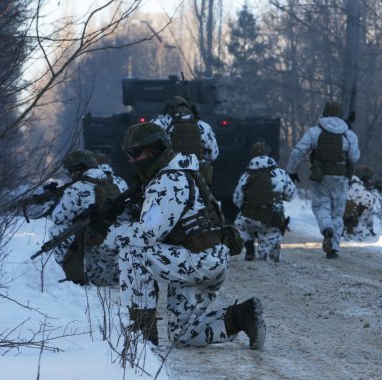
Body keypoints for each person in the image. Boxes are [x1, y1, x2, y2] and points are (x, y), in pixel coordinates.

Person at [103, 122, 265, 349]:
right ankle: (242, 316)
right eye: (129, 154)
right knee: (183, 335)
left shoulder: (169, 180)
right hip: (201, 257)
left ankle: (143, 334)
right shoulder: (178, 172)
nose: (131, 160)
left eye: (135, 153)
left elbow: (148, 234)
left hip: (199, 260)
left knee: (133, 253)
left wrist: (109, 232)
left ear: (154, 149)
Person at [286, 100, 360, 259]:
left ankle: (326, 228)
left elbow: (298, 152)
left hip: (321, 177)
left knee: (321, 207)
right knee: (337, 214)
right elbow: (354, 158)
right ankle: (333, 248)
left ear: (325, 112)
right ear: (340, 113)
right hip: (340, 178)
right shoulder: (348, 134)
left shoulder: (315, 132)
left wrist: (291, 171)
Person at [48, 150, 126, 286]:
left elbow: (58, 218)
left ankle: (72, 276)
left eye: (70, 171)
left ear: (76, 169)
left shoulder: (77, 187)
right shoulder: (114, 181)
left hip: (95, 240)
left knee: (56, 230)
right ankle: (105, 275)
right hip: (119, 239)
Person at [233, 141, 297, 262]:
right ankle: (269, 251)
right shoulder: (280, 174)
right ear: (270, 155)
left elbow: (237, 199)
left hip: (249, 219)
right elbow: (291, 195)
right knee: (270, 239)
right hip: (272, 220)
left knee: (242, 224)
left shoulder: (246, 175)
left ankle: (249, 247)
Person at [151, 95, 219, 185]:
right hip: (198, 181)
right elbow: (214, 155)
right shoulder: (204, 126)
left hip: (165, 181)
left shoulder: (157, 124)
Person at [343, 165, 382, 241]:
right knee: (370, 239)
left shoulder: (348, 182)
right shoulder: (357, 186)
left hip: (341, 222)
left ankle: (369, 230)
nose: (369, 181)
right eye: (368, 179)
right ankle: (367, 232)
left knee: (364, 207)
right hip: (349, 227)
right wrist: (377, 190)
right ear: (363, 178)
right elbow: (371, 200)